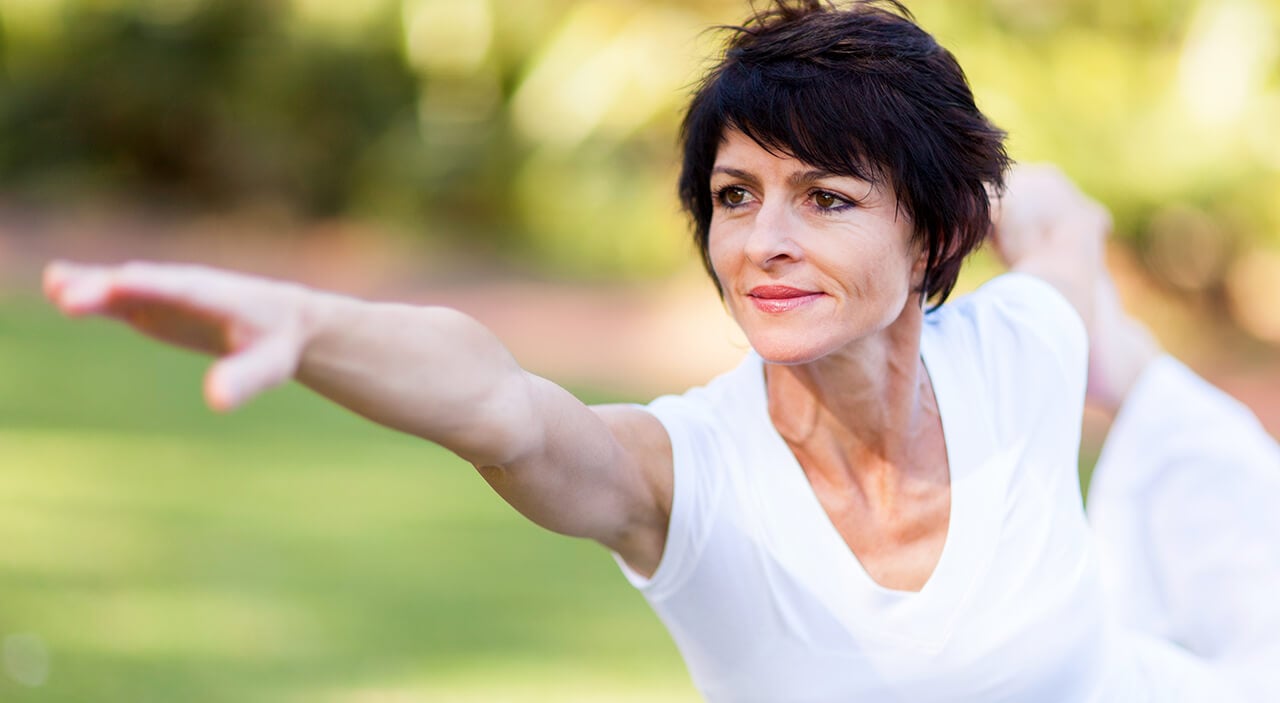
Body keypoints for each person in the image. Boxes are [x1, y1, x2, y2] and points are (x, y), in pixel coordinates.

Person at [41, 1, 1280, 701]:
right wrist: (311, 324)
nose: (763, 244)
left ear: (936, 234)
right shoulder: (683, 476)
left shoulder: (1022, 346)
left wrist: (1009, 189)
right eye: (734, 196)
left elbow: (1057, 242)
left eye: (825, 198)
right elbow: (503, 408)